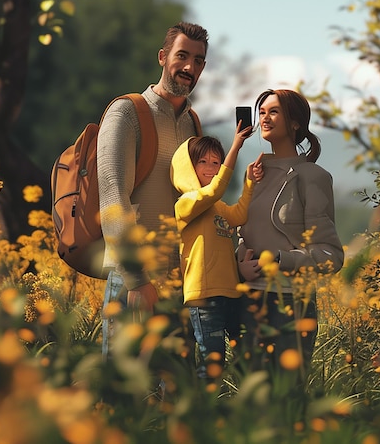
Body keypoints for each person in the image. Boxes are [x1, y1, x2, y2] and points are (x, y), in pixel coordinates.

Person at [97, 22, 208, 360]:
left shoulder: (193, 123)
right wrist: (137, 280)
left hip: (181, 282)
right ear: (162, 57)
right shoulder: (128, 112)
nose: (190, 68)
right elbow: (113, 197)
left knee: (174, 401)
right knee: (122, 396)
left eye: (199, 61)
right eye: (182, 56)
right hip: (135, 281)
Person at [236, 89, 344, 378]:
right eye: (262, 112)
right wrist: (239, 265)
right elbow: (241, 233)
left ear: (295, 122)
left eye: (274, 111)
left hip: (291, 304)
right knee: (251, 400)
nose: (265, 118)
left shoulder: (312, 177)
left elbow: (330, 255)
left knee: (286, 401)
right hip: (249, 302)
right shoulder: (256, 173)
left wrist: (282, 259)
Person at [170, 124, 262, 380]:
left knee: (245, 358)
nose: (212, 168)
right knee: (212, 364)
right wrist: (236, 146)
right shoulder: (186, 203)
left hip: (231, 293)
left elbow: (239, 215)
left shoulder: (218, 206)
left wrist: (249, 183)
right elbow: (215, 190)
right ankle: (204, 413)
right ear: (189, 168)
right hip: (204, 296)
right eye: (204, 162)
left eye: (216, 162)